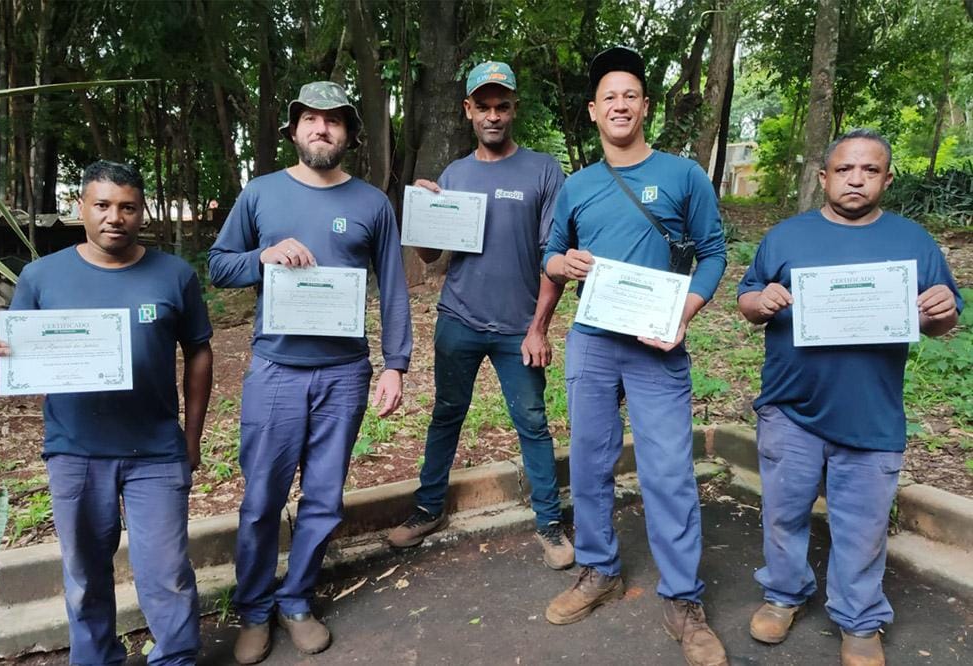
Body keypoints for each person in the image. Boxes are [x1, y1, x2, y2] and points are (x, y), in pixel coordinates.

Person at [0, 160, 213, 666]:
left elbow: (199, 350)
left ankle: (175, 658)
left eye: (127, 206)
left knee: (166, 575)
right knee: (84, 579)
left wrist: (191, 439)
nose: (114, 217)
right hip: (75, 453)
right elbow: (20, 365)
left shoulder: (175, 276)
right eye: (102, 205)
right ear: (80, 207)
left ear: (141, 211)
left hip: (155, 452)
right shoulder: (41, 277)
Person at [737, 129, 962, 666]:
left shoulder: (912, 242)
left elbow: (943, 318)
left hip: (872, 414)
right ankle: (783, 595)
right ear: (823, 178)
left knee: (861, 526)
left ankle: (859, 620)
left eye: (869, 170)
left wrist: (941, 309)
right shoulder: (787, 236)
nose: (855, 179)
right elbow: (747, 298)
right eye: (844, 170)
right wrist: (760, 300)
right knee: (784, 513)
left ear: (886, 178)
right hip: (791, 407)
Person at [208, 81, 412, 663]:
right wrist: (262, 257)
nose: (322, 130)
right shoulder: (261, 194)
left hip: (345, 374)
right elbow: (220, 266)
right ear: (295, 130)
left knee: (324, 497)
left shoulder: (372, 203)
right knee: (261, 499)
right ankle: (253, 609)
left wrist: (396, 365)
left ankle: (296, 599)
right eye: (311, 120)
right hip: (275, 370)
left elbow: (395, 289)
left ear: (349, 134)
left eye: (334, 121)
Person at [542, 47, 729, 666]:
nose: (620, 105)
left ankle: (682, 598)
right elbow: (550, 256)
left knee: (669, 473)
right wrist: (562, 264)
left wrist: (685, 314)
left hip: (657, 347)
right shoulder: (577, 186)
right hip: (593, 344)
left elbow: (714, 254)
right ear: (593, 112)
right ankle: (599, 570)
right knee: (591, 466)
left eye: (631, 95)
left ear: (645, 107)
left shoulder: (682, 175)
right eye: (608, 97)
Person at [385, 61, 574, 569]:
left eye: (502, 106)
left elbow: (552, 258)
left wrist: (539, 328)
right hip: (459, 321)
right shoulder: (454, 175)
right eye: (483, 106)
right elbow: (430, 258)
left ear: (514, 109)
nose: (493, 115)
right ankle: (428, 509)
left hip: (519, 329)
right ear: (468, 110)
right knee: (446, 414)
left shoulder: (543, 171)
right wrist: (423, 214)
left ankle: (550, 523)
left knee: (532, 423)